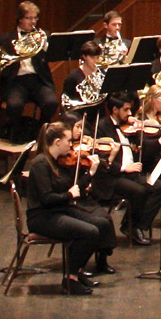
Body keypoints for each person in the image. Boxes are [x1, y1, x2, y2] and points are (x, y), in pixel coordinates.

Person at [26, 121, 118, 295]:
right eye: (68, 140)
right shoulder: (41, 164)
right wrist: (69, 195)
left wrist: (90, 172)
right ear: (57, 141)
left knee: (102, 224)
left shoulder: (58, 162)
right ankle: (71, 278)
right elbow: (47, 199)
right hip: (42, 217)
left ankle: (78, 270)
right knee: (90, 232)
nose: (71, 143)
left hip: (59, 210)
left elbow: (74, 187)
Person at [95, 94, 161, 246]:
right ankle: (131, 227)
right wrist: (124, 167)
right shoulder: (102, 127)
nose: (130, 113)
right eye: (126, 109)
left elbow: (145, 148)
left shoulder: (128, 126)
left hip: (132, 173)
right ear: (115, 109)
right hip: (112, 176)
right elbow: (101, 159)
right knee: (139, 191)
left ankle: (136, 226)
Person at [0, 1, 59, 142]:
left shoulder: (43, 36)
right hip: (16, 82)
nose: (33, 22)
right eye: (29, 18)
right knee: (14, 105)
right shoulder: (6, 39)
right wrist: (8, 59)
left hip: (38, 80)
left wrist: (47, 47)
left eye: (35, 18)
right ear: (20, 18)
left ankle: (41, 133)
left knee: (51, 102)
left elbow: (53, 57)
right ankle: (17, 134)